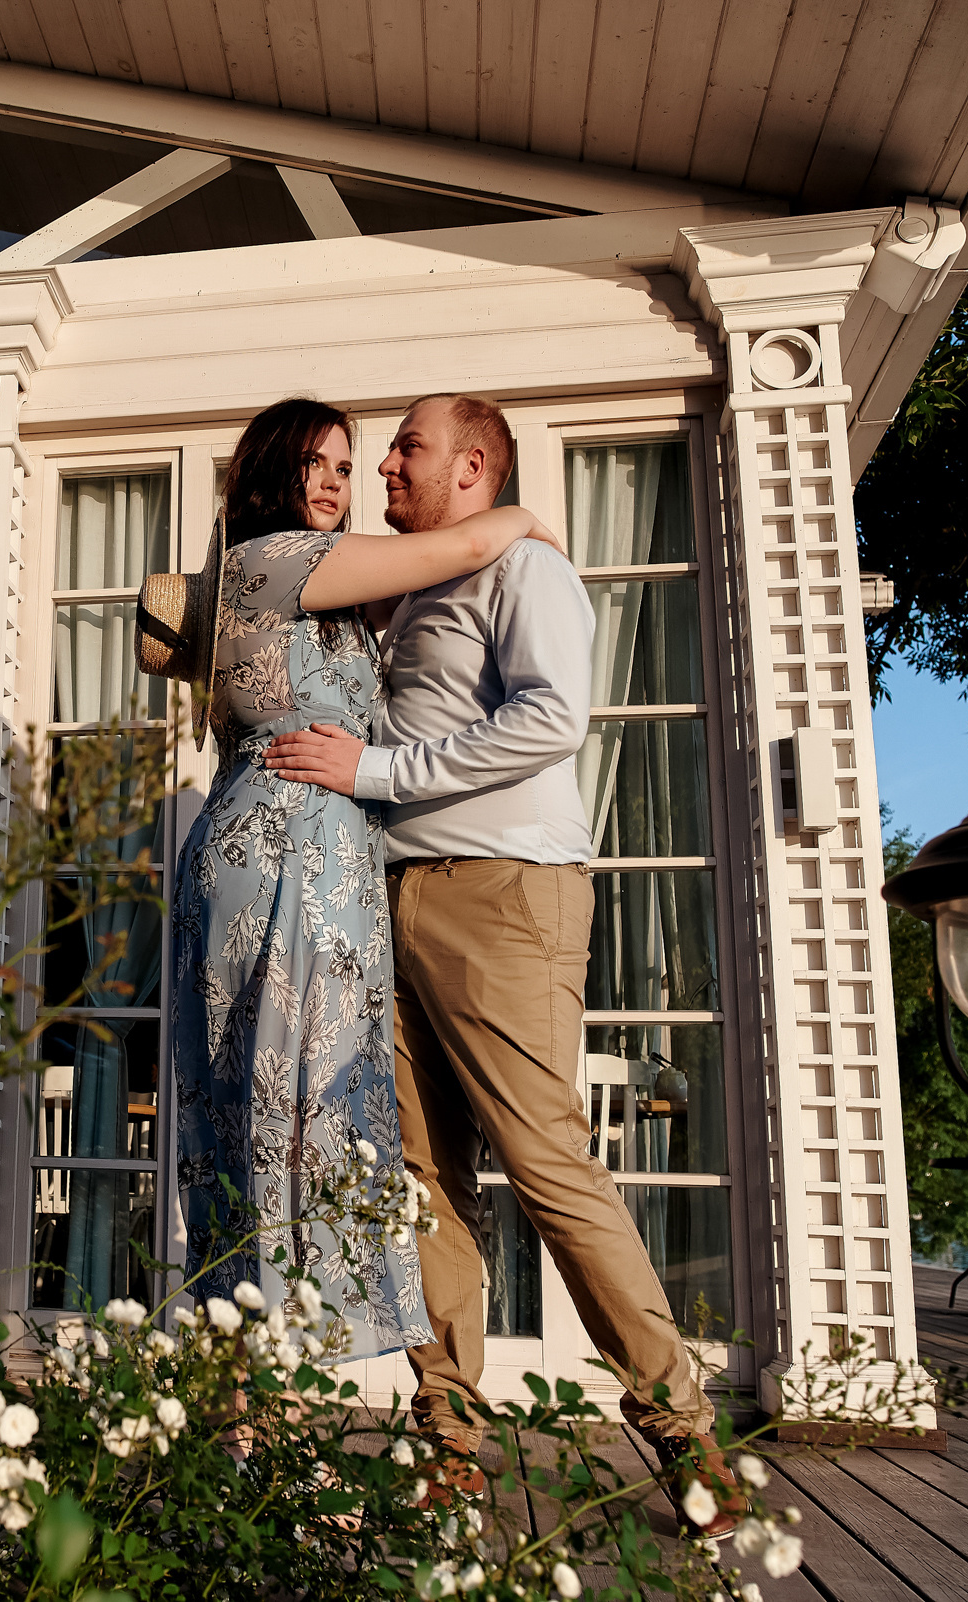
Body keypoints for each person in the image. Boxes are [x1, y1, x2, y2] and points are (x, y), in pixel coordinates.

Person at [261, 393, 739, 1533]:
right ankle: (451, 1442)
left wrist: (372, 772)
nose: (385, 466)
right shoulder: (414, 581)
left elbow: (550, 720)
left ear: (472, 466)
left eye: (407, 449)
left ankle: (685, 1433)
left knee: (545, 1161)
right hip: (391, 898)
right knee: (425, 1179)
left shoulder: (527, 573)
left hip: (503, 894)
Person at [169, 396, 557, 1365]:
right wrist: (516, 519)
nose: (342, 483)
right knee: (275, 1112)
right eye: (319, 464)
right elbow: (451, 553)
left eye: (350, 465)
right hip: (279, 852)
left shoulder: (325, 589)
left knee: (317, 1116)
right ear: (269, 472)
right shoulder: (275, 561)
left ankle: (267, 1393)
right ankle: (258, 1401)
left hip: (329, 857)